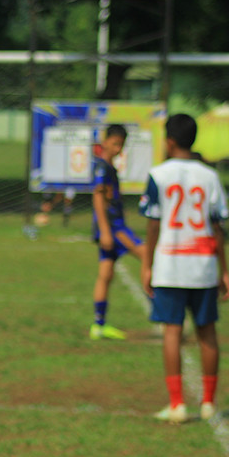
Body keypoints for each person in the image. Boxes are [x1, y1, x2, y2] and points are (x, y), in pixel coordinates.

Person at [139, 113, 229, 424]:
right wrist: (225, 270)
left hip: (170, 264)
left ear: (169, 141)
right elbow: (218, 228)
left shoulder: (158, 174)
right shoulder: (210, 176)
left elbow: (153, 224)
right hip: (203, 265)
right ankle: (208, 402)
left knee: (171, 332)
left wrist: (147, 263)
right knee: (208, 332)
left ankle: (177, 403)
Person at [90, 123, 146, 340]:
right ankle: (161, 313)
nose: (117, 149)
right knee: (147, 257)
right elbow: (98, 198)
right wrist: (104, 231)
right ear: (105, 142)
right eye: (114, 144)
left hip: (112, 227)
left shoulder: (108, 167)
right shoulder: (103, 168)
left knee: (105, 275)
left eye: (120, 145)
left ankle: (99, 325)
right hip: (114, 228)